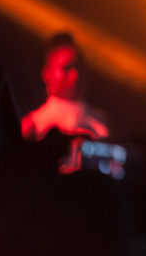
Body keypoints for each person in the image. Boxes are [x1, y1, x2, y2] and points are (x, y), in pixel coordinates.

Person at [21, 32, 109, 172]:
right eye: (66, 68)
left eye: (79, 68)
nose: (75, 76)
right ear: (47, 74)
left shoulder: (102, 124)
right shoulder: (31, 126)